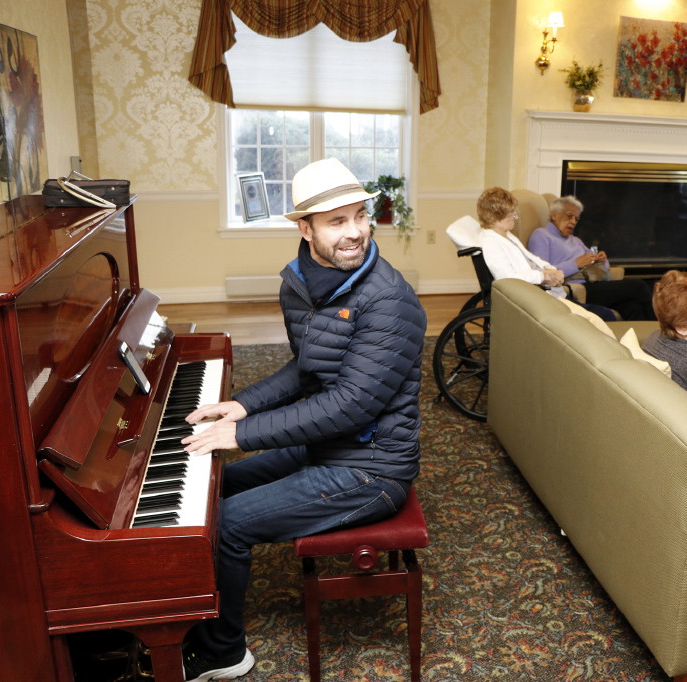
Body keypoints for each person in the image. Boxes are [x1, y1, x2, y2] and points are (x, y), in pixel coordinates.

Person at [178, 158, 426, 681]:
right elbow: (309, 366)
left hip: (372, 468)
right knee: (211, 488)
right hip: (329, 446)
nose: (355, 231)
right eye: (337, 222)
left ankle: (223, 652)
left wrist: (241, 434)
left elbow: (350, 404)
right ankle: (181, 610)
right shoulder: (302, 281)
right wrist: (243, 405)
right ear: (304, 228)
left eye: (360, 215)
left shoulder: (389, 301)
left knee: (229, 525)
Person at [476, 187, 616, 321]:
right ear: (498, 214)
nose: (516, 217)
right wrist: (543, 276)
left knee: (606, 313)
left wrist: (552, 271)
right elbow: (506, 278)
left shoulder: (506, 235)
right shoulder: (491, 242)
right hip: (536, 296)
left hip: (547, 290)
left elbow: (533, 259)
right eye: (512, 213)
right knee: (604, 316)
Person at [527, 195, 655, 320]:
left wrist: (603, 261)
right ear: (554, 215)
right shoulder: (541, 235)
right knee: (638, 286)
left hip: (593, 282)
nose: (573, 222)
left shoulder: (575, 240)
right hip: (576, 289)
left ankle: (639, 340)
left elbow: (603, 270)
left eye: (576, 219)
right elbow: (542, 273)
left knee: (633, 308)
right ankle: (664, 332)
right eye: (569, 216)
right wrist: (575, 263)